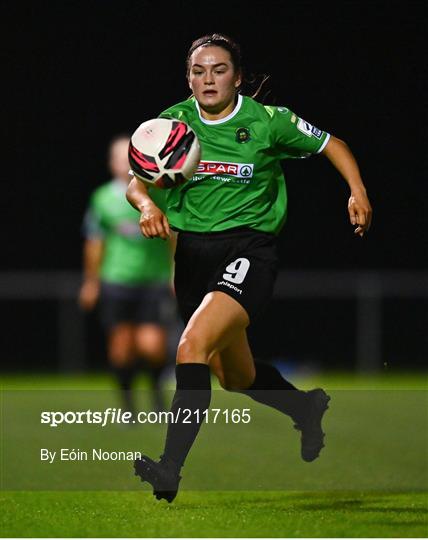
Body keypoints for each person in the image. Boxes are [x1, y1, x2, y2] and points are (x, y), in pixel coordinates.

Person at [127, 34, 372, 502]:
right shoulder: (172, 122)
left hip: (249, 251)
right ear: (188, 78)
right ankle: (305, 406)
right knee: (234, 377)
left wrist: (357, 190)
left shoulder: (267, 122)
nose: (208, 79)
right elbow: (137, 182)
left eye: (218, 69)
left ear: (237, 76)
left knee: (191, 346)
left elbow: (332, 145)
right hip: (193, 256)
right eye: (198, 71)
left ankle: (169, 468)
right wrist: (144, 206)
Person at [79, 135, 174, 414]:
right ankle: (128, 408)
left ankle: (157, 400)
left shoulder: (160, 193)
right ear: (111, 163)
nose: (124, 162)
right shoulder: (102, 198)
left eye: (128, 156)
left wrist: (174, 273)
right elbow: (94, 243)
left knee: (153, 346)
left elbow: (174, 238)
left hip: (153, 280)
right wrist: (91, 283)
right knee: (122, 348)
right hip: (117, 281)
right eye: (118, 157)